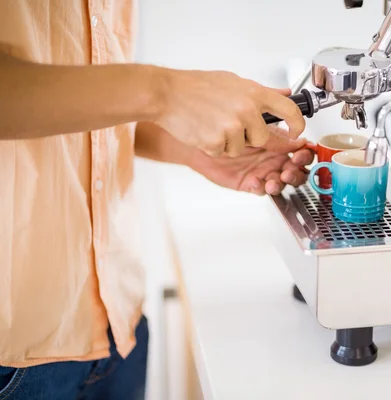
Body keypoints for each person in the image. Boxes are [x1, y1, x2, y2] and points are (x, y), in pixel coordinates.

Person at [0, 2, 313, 399]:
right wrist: (166, 92)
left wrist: (190, 148)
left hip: (117, 317)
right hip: (13, 354)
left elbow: (79, 97)